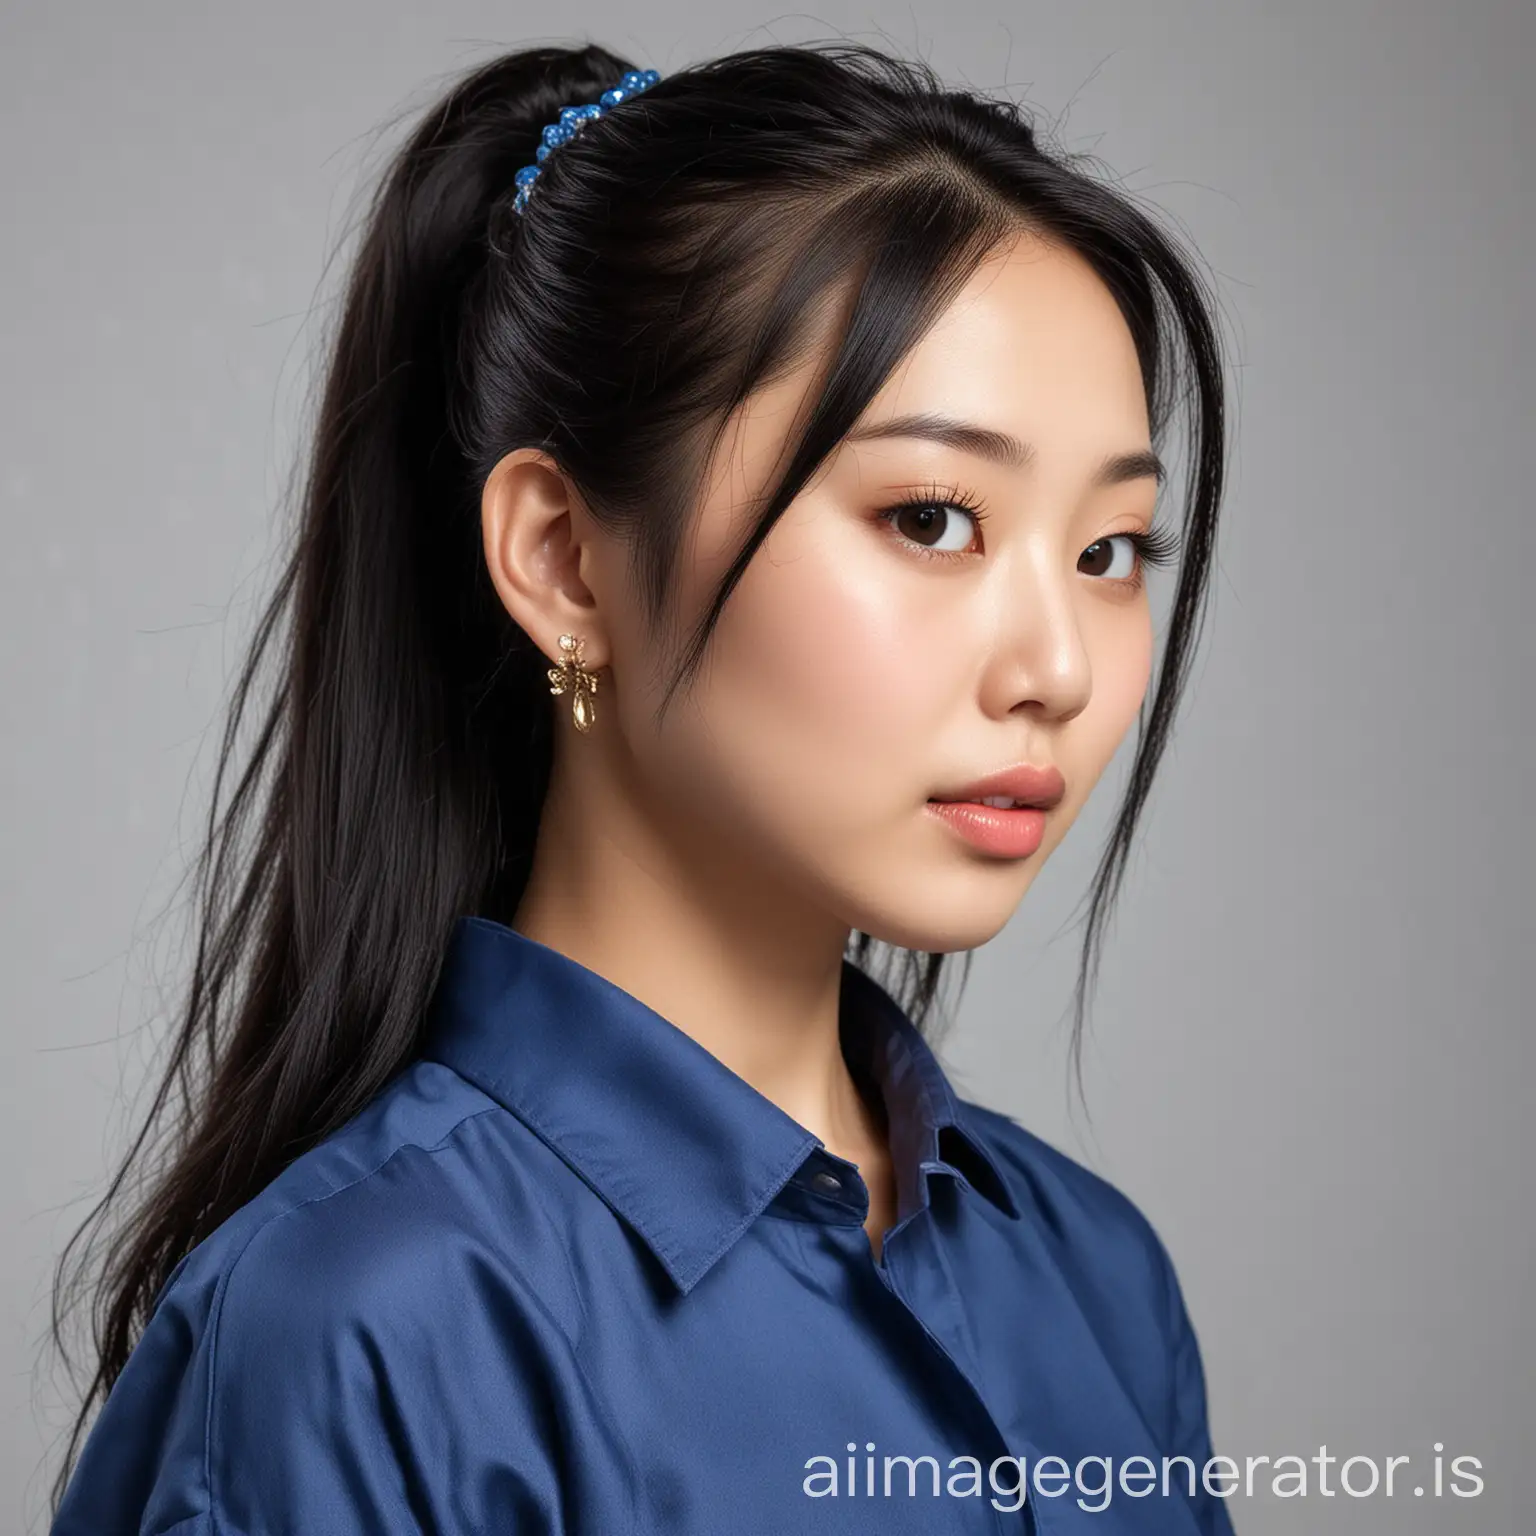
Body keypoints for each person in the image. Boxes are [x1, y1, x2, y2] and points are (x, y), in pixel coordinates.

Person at [47, 39, 1234, 1535]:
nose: (1058, 665)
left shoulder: (1093, 1274)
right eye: (932, 518)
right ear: (561, 557)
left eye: (1110, 549)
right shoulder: (362, 1335)